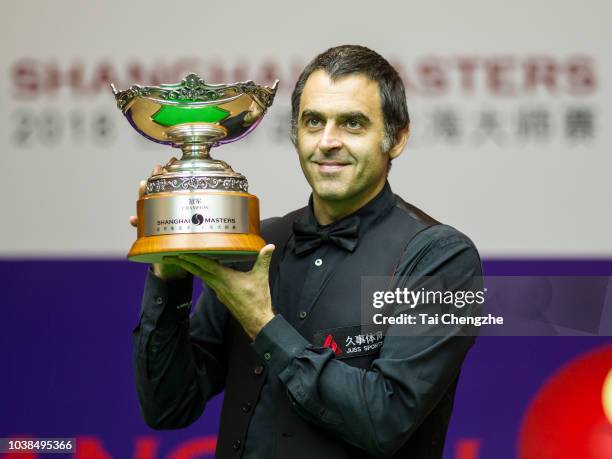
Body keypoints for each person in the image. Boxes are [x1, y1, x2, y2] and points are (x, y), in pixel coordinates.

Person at [130, 45, 482, 458]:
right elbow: (169, 407)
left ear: (397, 138)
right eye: (313, 122)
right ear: (295, 133)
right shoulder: (256, 244)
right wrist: (168, 278)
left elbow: (385, 420)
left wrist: (263, 322)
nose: (328, 142)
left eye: (352, 123)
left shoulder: (441, 258)